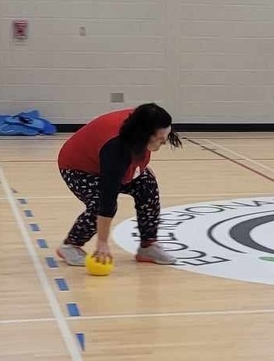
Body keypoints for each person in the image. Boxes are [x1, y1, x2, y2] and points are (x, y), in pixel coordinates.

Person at [56, 103, 182, 267]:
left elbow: (134, 155)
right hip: (78, 167)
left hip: (107, 160)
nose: (164, 141)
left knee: (147, 185)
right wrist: (102, 242)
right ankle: (70, 245)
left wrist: (138, 167)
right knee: (100, 201)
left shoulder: (140, 125)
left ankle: (148, 246)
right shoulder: (116, 148)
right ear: (143, 135)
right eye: (159, 138)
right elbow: (108, 198)